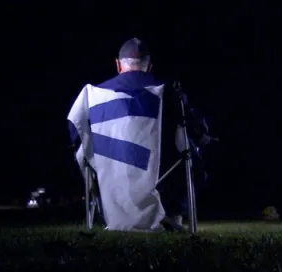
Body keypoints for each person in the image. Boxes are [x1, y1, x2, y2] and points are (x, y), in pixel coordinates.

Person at [69, 37, 213, 230]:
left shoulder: (92, 94)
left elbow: (77, 135)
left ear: (118, 65)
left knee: (85, 154)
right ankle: (171, 214)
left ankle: (110, 212)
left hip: (111, 178)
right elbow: (196, 129)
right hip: (161, 178)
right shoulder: (168, 91)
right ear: (150, 66)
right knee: (190, 153)